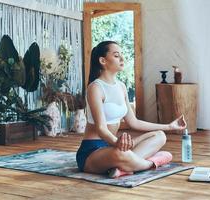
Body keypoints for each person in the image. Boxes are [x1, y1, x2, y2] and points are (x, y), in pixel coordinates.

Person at [76, 41, 187, 178]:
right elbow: (101, 128)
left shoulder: (121, 87)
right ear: (103, 60)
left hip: (114, 146)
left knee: (159, 136)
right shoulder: (96, 88)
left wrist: (169, 126)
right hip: (93, 151)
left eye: (121, 55)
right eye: (117, 55)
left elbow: (134, 122)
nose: (122, 58)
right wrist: (118, 143)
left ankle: (124, 168)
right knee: (120, 153)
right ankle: (151, 163)